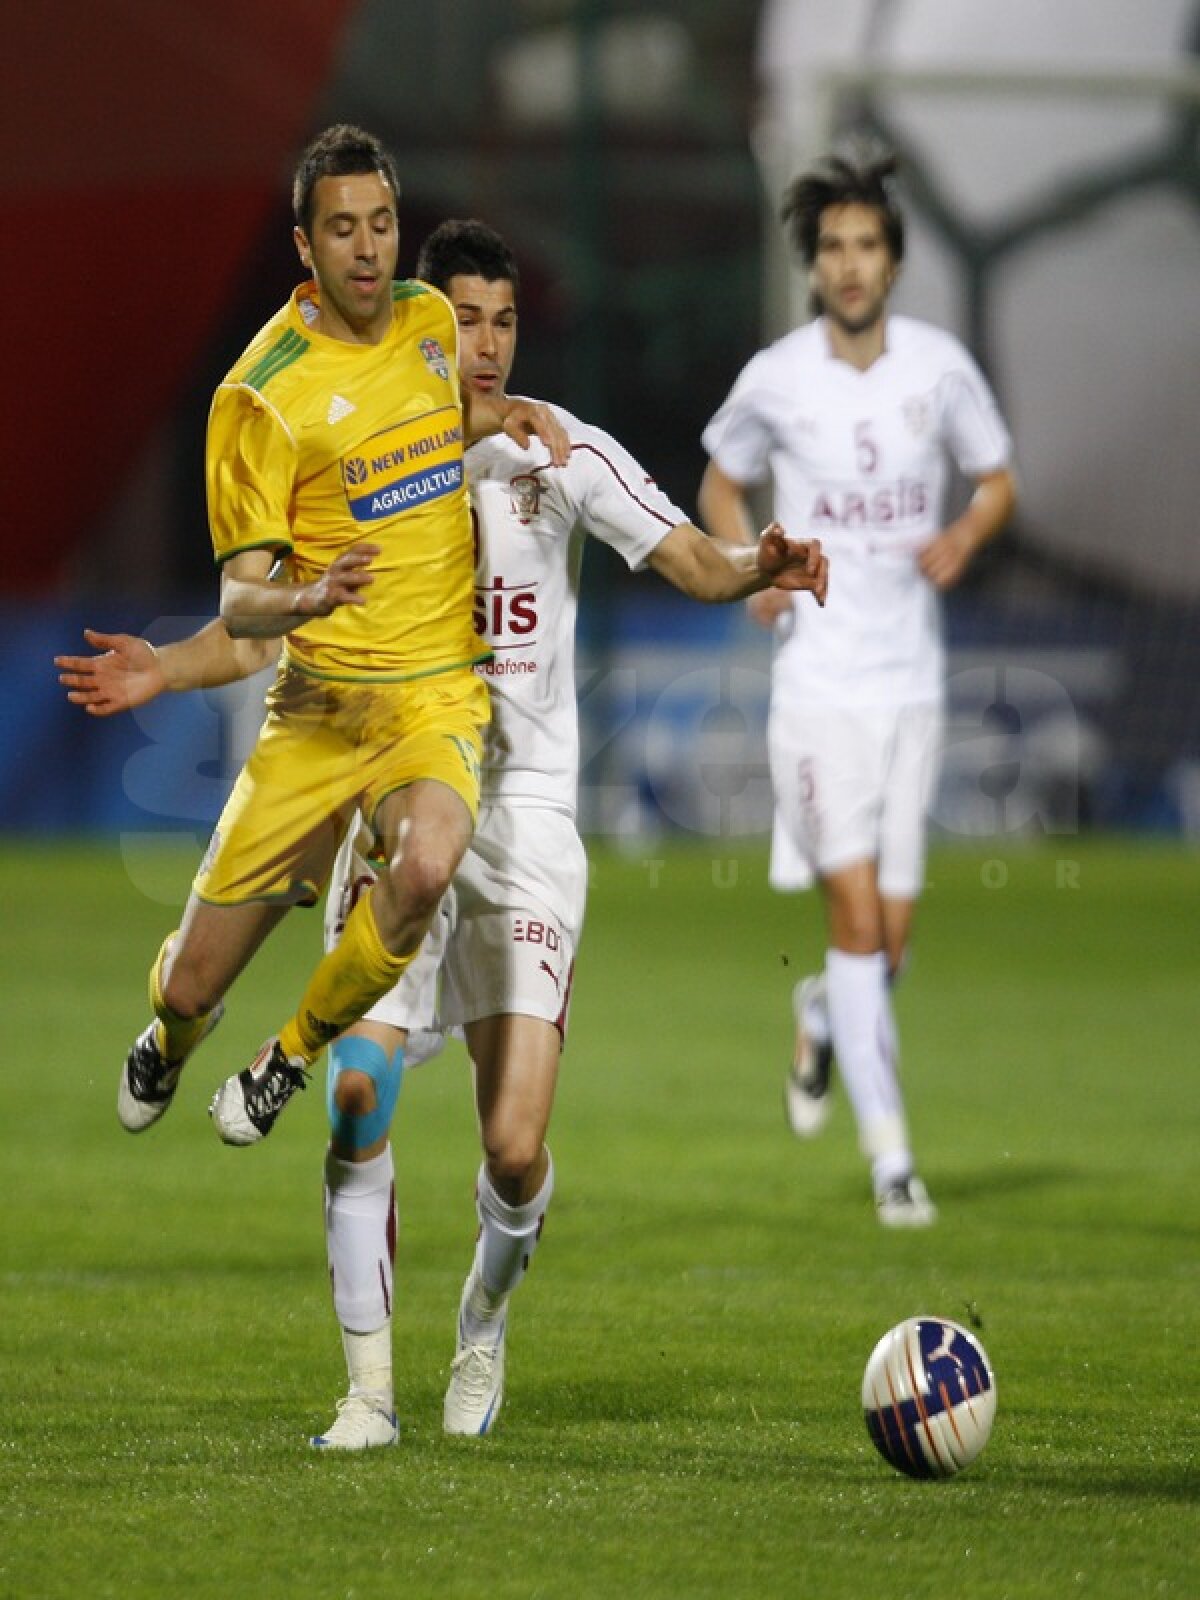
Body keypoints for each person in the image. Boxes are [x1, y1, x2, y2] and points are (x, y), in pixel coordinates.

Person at [57, 219, 828, 1450]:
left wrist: (758, 564)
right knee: (356, 1093)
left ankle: (483, 1318)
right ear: (424, 319)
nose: (484, 343)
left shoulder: (554, 451)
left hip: (522, 827)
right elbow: (265, 617)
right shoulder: (363, 448)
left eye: (504, 321)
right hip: (399, 802)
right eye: (464, 317)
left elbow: (685, 553)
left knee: (515, 1149)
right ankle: (368, 1394)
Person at [104, 124, 568, 1155]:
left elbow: (437, 423)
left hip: (435, 697)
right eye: (344, 230)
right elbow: (242, 605)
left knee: (427, 863)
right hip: (319, 712)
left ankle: (288, 1057)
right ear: (304, 247)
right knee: (191, 977)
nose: (370, 250)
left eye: (384, 224)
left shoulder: (431, 319)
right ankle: (172, 1037)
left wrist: (502, 415)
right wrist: (307, 598)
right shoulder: (261, 392)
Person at [698, 151, 1017, 1228]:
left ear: (893, 259)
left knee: (890, 940)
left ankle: (822, 1016)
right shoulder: (779, 375)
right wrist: (752, 571)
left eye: (866, 244)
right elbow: (719, 479)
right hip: (817, 690)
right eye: (831, 246)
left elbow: (999, 476)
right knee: (854, 919)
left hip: (911, 687)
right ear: (812, 261)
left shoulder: (940, 367)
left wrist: (967, 530)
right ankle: (893, 1162)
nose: (848, 263)